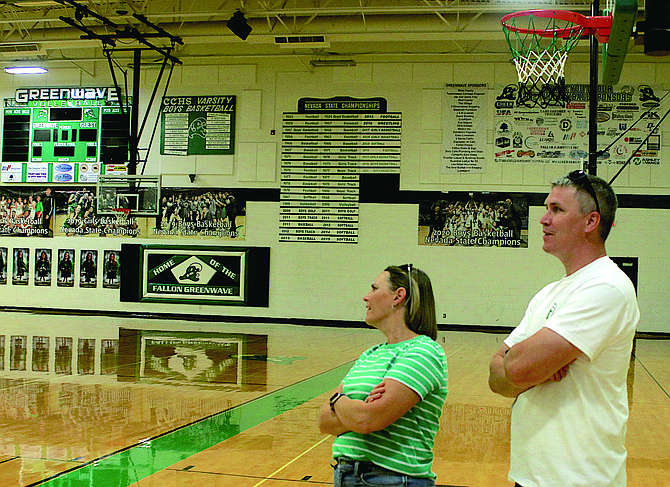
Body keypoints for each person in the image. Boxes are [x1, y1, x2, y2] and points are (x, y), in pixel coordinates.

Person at [488, 171, 640, 487]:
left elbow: (515, 368)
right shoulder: (548, 293)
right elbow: (497, 377)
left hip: (580, 478)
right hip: (530, 475)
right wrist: (535, 368)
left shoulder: (607, 286)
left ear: (590, 221)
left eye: (556, 209)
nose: (543, 219)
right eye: (547, 208)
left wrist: (523, 366)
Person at [318, 264, 448, 487]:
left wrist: (339, 400)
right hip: (345, 475)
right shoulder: (370, 354)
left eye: (374, 288)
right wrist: (359, 408)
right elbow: (324, 422)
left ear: (398, 296)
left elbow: (368, 419)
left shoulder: (423, 351)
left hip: (393, 480)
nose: (365, 297)